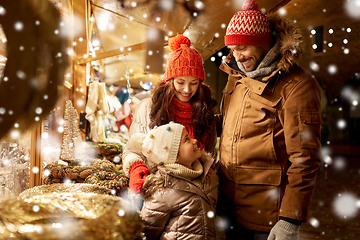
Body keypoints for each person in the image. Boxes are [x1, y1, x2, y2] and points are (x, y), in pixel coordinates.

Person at [216, 0, 322, 239]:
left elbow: (305, 158)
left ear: (262, 43)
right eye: (231, 49)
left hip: (266, 216)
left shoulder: (298, 86)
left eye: (242, 47)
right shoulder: (238, 76)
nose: (237, 56)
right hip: (229, 206)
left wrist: (289, 219)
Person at [123, 35, 217, 194]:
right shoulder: (149, 108)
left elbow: (209, 155)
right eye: (180, 82)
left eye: (193, 83)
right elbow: (133, 148)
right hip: (158, 192)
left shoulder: (205, 111)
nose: (187, 90)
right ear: (170, 80)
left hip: (195, 193)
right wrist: (136, 168)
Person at [126, 123, 219, 239]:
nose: (194, 140)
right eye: (187, 140)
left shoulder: (208, 174)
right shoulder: (162, 191)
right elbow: (148, 232)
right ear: (174, 157)